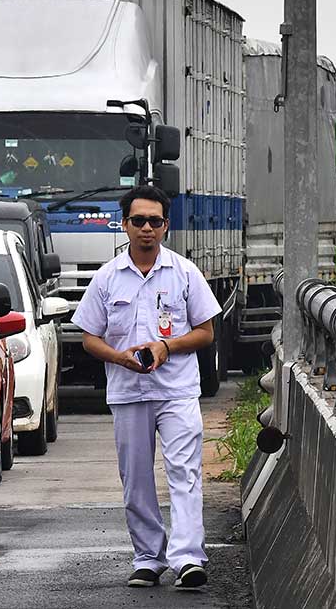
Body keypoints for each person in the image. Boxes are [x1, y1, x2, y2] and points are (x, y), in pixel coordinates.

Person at [72, 186, 221, 590]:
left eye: (155, 221)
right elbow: (89, 336)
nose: (146, 229)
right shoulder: (107, 278)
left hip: (176, 391)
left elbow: (206, 332)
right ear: (125, 226)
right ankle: (148, 559)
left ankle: (188, 558)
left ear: (166, 227)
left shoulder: (185, 273)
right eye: (138, 221)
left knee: (184, 472)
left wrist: (166, 346)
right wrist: (120, 357)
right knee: (136, 478)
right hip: (127, 393)